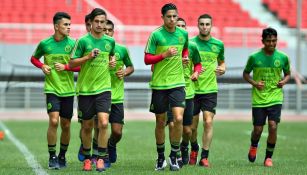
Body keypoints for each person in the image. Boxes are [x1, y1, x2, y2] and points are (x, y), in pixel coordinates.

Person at [70, 8, 116, 172]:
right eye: (96, 21)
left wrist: (112, 62)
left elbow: (112, 56)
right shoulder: (82, 41)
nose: (99, 24)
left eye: (102, 22)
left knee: (104, 123)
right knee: (87, 126)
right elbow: (72, 63)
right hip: (85, 90)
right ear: (91, 23)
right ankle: (87, 158)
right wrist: (88, 57)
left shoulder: (110, 42)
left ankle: (101, 158)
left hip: (104, 88)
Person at [144, 3, 189, 171]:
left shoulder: (183, 34)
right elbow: (147, 59)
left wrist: (184, 57)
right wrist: (164, 55)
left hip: (177, 83)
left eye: (174, 16)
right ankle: (161, 156)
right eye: (169, 16)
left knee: (178, 118)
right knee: (161, 121)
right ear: (162, 17)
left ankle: (174, 155)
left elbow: (185, 50)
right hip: (160, 84)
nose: (172, 19)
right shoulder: (155, 35)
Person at [30, 12, 76, 169]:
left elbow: (79, 65)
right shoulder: (45, 44)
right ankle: (52, 156)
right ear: (56, 26)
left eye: (69, 24)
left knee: (67, 125)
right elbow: (34, 58)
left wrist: (67, 67)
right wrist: (42, 65)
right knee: (54, 120)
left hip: (69, 90)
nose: (69, 27)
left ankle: (62, 155)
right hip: (52, 88)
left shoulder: (74, 43)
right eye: (65, 24)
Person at [243, 27, 290, 167]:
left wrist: (284, 81)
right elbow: (245, 74)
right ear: (263, 41)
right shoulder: (254, 57)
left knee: (273, 126)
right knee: (258, 130)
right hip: (259, 99)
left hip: (275, 97)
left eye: (274, 41)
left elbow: (288, 74)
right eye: (268, 41)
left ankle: (268, 157)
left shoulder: (283, 57)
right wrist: (255, 83)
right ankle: (253, 145)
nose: (271, 43)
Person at [189, 14, 226, 167]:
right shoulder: (190, 43)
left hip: (210, 89)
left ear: (211, 26)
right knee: (191, 126)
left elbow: (222, 62)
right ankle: (194, 148)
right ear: (198, 26)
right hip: (193, 88)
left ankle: (204, 157)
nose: (204, 27)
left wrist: (223, 68)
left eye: (207, 24)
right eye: (202, 24)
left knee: (208, 121)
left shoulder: (218, 44)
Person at [166, 17, 202, 166]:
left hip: (188, 92)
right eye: (178, 25)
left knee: (188, 130)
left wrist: (196, 73)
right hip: (171, 90)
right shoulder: (169, 47)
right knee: (173, 124)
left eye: (183, 26)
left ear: (186, 29)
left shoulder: (192, 47)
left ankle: (184, 147)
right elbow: (156, 67)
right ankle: (176, 153)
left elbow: (198, 64)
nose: (180, 28)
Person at [104, 19, 134, 163]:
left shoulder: (121, 50)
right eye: (104, 30)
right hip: (100, 95)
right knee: (99, 128)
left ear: (113, 32)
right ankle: (101, 157)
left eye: (109, 30)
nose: (107, 32)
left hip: (117, 97)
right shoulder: (96, 51)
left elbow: (130, 67)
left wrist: (125, 72)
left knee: (117, 132)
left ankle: (111, 144)